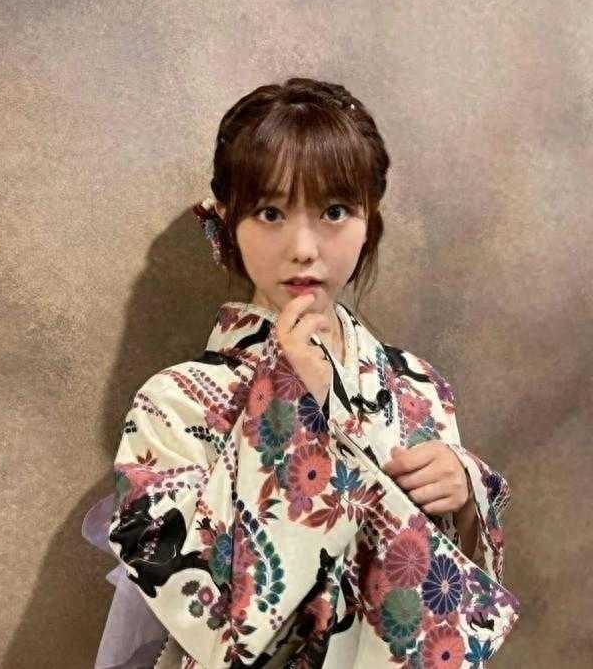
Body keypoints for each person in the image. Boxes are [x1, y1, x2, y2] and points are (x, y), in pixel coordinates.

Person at [82, 77, 520, 668]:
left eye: (335, 211)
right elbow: (203, 614)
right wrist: (289, 406)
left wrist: (466, 493)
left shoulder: (417, 386)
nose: (304, 248)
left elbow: (444, 612)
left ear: (370, 221)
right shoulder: (175, 402)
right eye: (270, 213)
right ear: (226, 222)